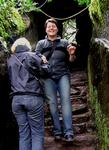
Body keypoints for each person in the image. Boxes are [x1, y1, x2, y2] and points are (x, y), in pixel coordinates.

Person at [35, 18, 76, 142]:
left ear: (57, 29)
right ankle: (57, 131)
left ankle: (68, 132)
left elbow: (72, 61)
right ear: (46, 29)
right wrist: (40, 57)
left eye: (53, 26)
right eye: (49, 26)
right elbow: (34, 57)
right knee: (52, 104)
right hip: (47, 77)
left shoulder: (64, 42)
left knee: (66, 102)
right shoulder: (41, 44)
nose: (51, 28)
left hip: (63, 74)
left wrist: (72, 54)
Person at [7, 37, 50, 150]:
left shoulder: (10, 60)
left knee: (23, 133)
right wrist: (44, 61)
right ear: (27, 45)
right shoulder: (32, 55)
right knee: (37, 132)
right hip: (33, 96)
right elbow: (46, 72)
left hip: (16, 100)